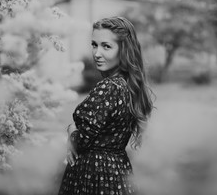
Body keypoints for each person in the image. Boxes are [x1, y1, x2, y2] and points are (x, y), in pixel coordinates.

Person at [58, 16, 154, 195]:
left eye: (106, 46)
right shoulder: (126, 85)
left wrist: (72, 130)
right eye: (94, 44)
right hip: (117, 172)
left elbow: (83, 140)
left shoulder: (109, 87)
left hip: (95, 175)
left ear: (123, 50)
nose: (96, 53)